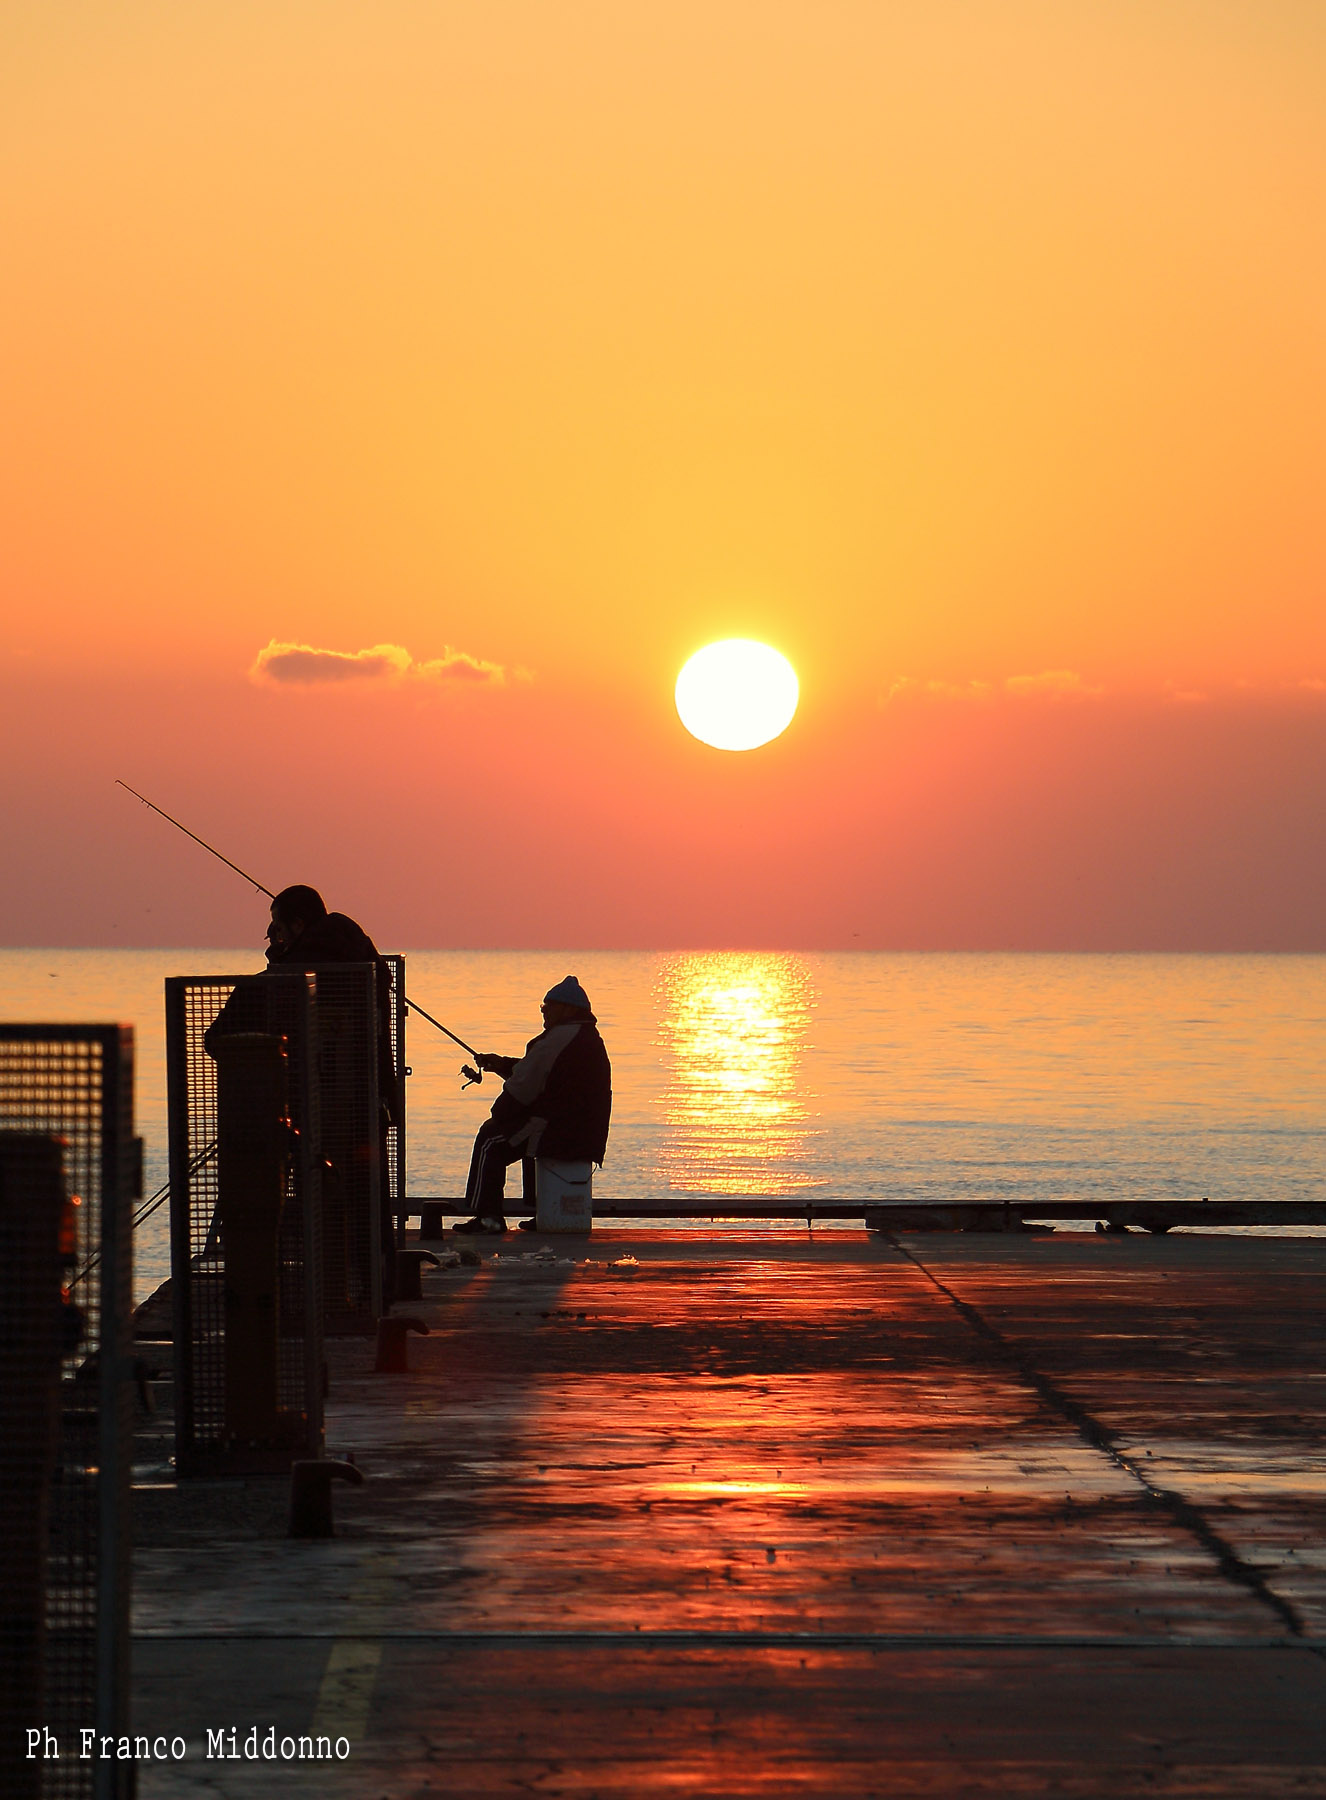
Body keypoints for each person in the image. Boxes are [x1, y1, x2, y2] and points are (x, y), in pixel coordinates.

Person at [455, 976, 612, 1236]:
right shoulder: (585, 1037)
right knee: (525, 1132)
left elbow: (524, 1086)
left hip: (559, 1130)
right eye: (543, 1006)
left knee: (490, 1138)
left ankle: (488, 1217)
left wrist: (499, 1114)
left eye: (548, 1006)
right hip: (586, 1133)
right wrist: (502, 1064)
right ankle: (544, 1212)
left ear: (567, 1009)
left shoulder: (557, 1039)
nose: (544, 1011)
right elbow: (544, 1073)